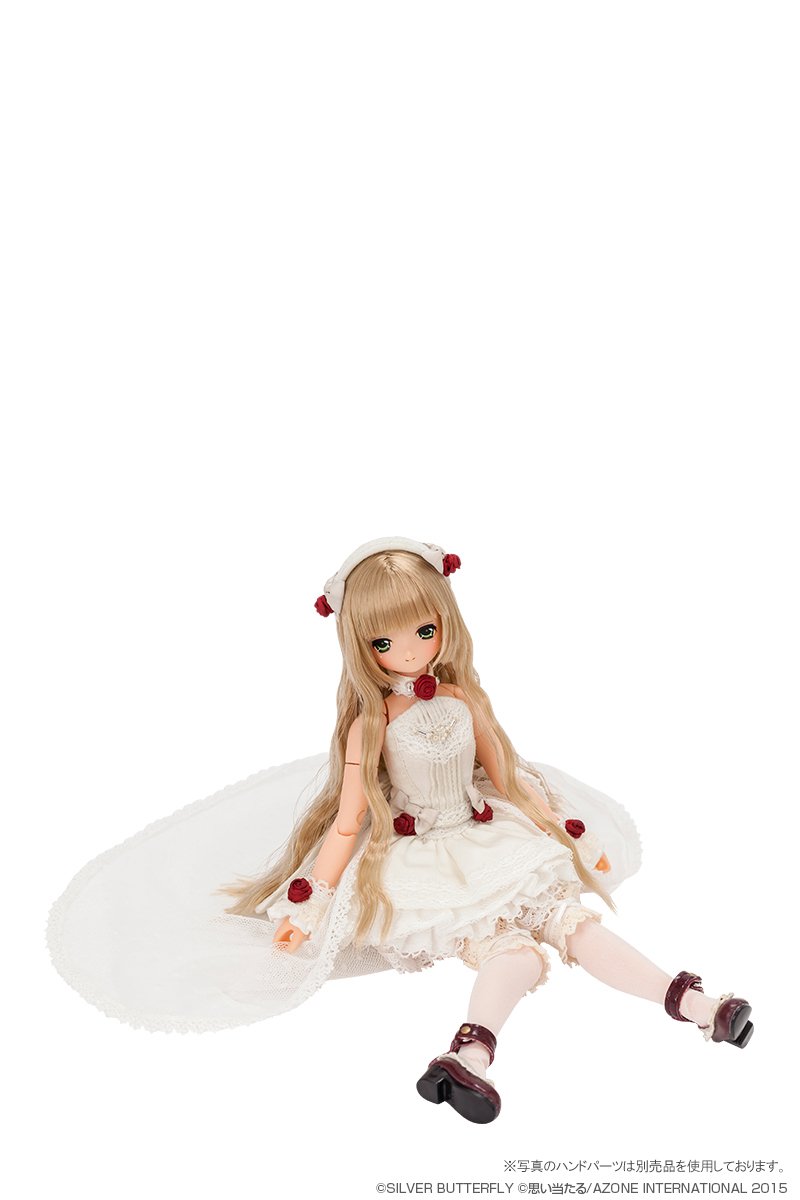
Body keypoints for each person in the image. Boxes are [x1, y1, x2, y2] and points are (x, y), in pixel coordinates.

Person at [215, 536, 754, 1124]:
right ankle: (469, 1057)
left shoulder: (463, 699)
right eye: (383, 642)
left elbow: (510, 778)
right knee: (513, 952)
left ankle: (699, 1007)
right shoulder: (370, 724)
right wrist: (310, 904)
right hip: (426, 853)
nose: (409, 650)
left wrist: (570, 832)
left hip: (490, 834)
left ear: (445, 623)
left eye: (425, 631)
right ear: (360, 645)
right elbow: (348, 822)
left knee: (571, 924)